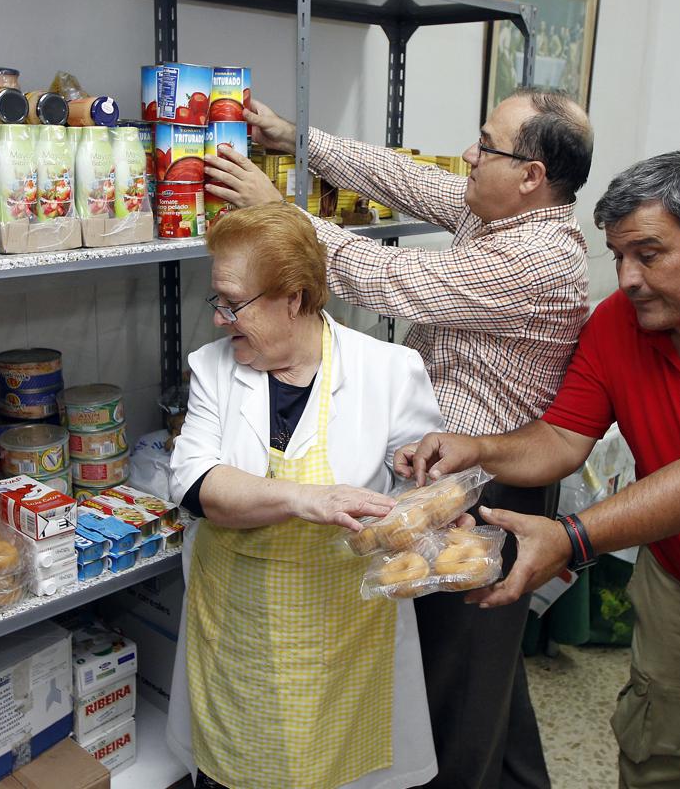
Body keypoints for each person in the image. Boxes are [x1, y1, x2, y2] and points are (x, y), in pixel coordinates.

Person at [399, 150, 680, 789]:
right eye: (617, 256)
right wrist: (480, 448)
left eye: (648, 254)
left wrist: (571, 539)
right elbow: (561, 437)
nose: (627, 277)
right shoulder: (617, 324)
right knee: (663, 766)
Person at [203, 88, 594, 789]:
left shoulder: (539, 257)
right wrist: (298, 139)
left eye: (486, 145)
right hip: (448, 466)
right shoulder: (497, 213)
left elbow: (393, 279)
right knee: (486, 668)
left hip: (490, 480)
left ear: (531, 175)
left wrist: (279, 218)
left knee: (458, 674)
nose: (470, 156)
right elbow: (408, 177)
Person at [165, 202, 446, 789]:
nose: (219, 319)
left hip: (345, 643)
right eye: (216, 301)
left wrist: (420, 491)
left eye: (233, 303)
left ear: (293, 297)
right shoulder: (215, 370)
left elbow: (424, 494)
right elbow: (195, 484)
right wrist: (304, 499)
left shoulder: (388, 371)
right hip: (237, 637)